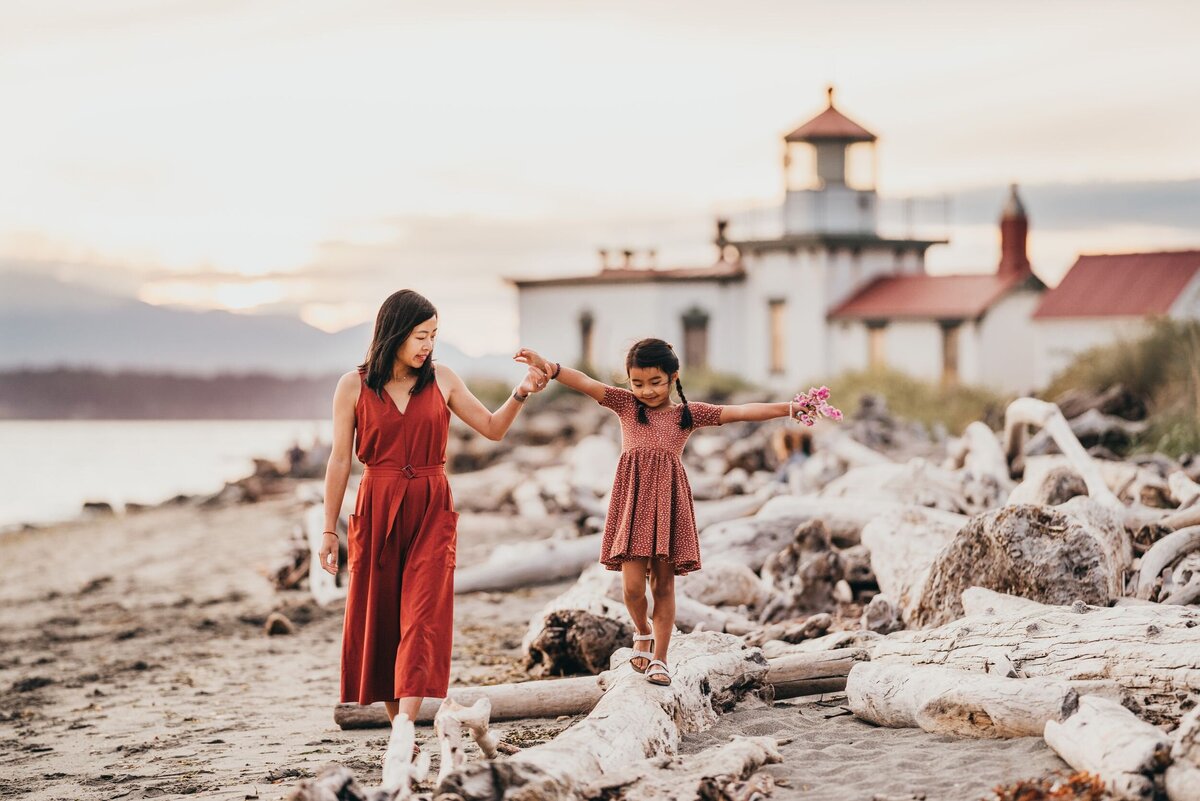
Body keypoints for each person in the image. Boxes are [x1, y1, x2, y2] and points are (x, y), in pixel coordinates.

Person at [319, 289, 547, 746]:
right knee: (382, 618)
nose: (427, 345)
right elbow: (340, 460)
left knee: (423, 615)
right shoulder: (353, 385)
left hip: (430, 505)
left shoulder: (442, 378)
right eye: (420, 336)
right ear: (394, 334)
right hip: (377, 505)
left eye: (434, 336)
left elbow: (492, 429)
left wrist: (521, 391)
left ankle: (406, 722)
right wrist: (329, 529)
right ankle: (400, 729)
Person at [515, 338, 808, 687]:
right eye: (637, 383)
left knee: (664, 586)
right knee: (632, 588)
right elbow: (586, 383)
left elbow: (741, 411)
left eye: (655, 382)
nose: (646, 390)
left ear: (673, 377)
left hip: (670, 505)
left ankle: (661, 659)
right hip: (633, 503)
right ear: (628, 380)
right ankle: (642, 631)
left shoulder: (688, 415)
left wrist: (790, 408)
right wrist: (552, 367)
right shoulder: (625, 405)